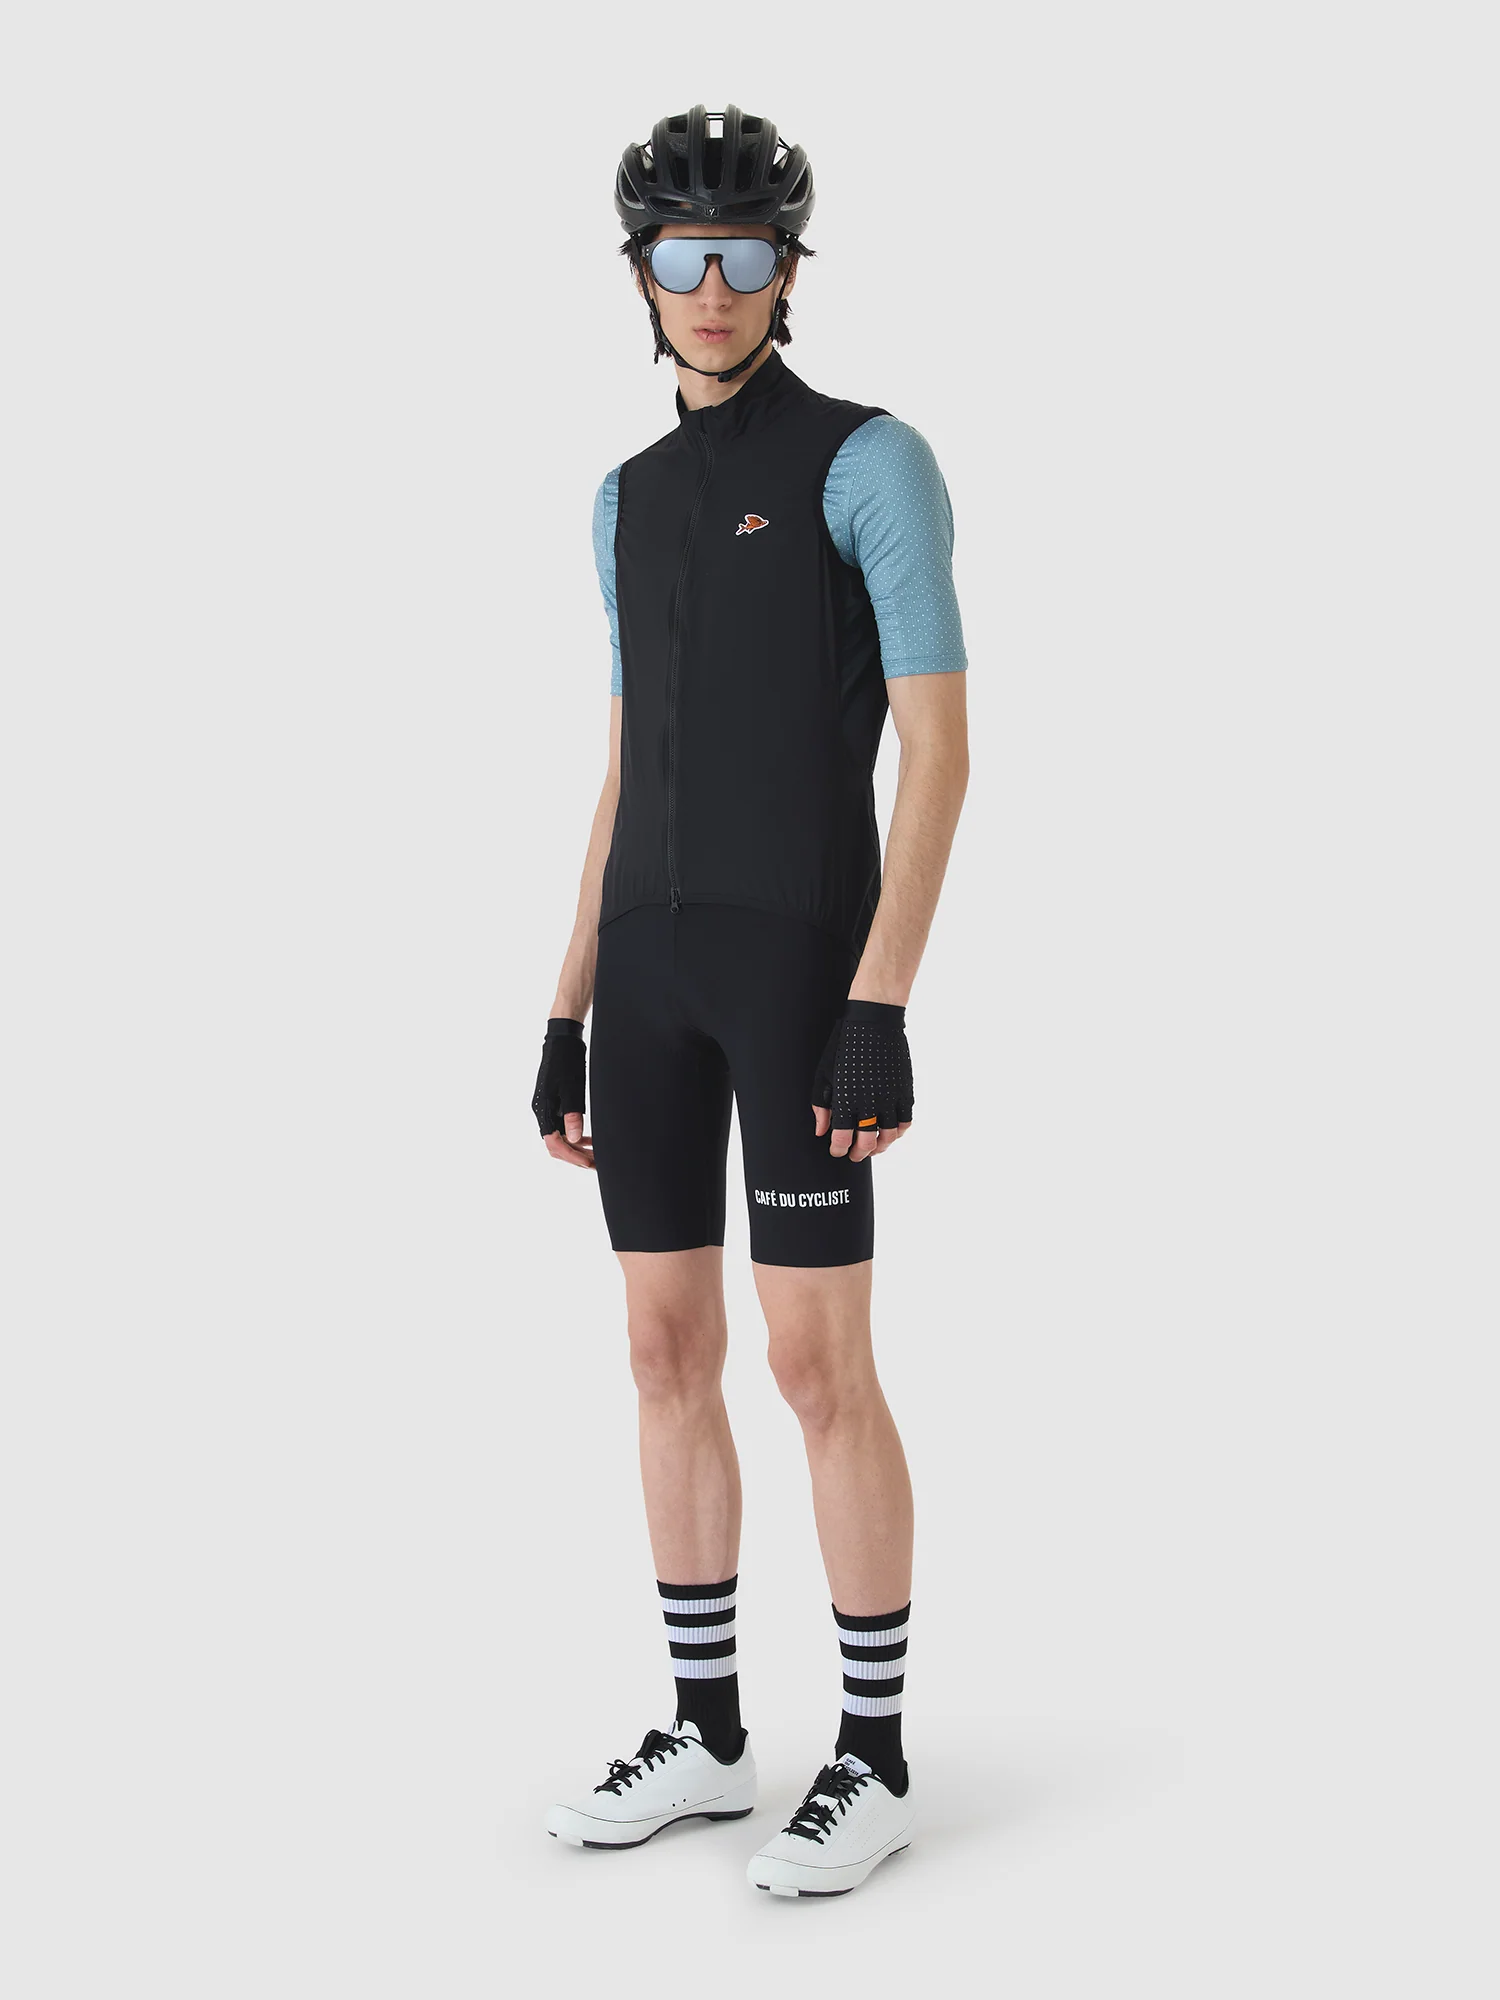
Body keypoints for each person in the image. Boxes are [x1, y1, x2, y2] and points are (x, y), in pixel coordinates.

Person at [531, 103, 968, 1898]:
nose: (713, 288)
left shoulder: (871, 460)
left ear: (791, 269)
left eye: (747, 255)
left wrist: (883, 999)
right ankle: (709, 1735)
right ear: (640, 273)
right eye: (681, 256)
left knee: (812, 1360)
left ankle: (874, 1754)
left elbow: (939, 755)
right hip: (648, 971)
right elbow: (623, 769)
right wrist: (565, 1006)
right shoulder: (623, 499)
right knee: (660, 1349)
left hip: (801, 973)